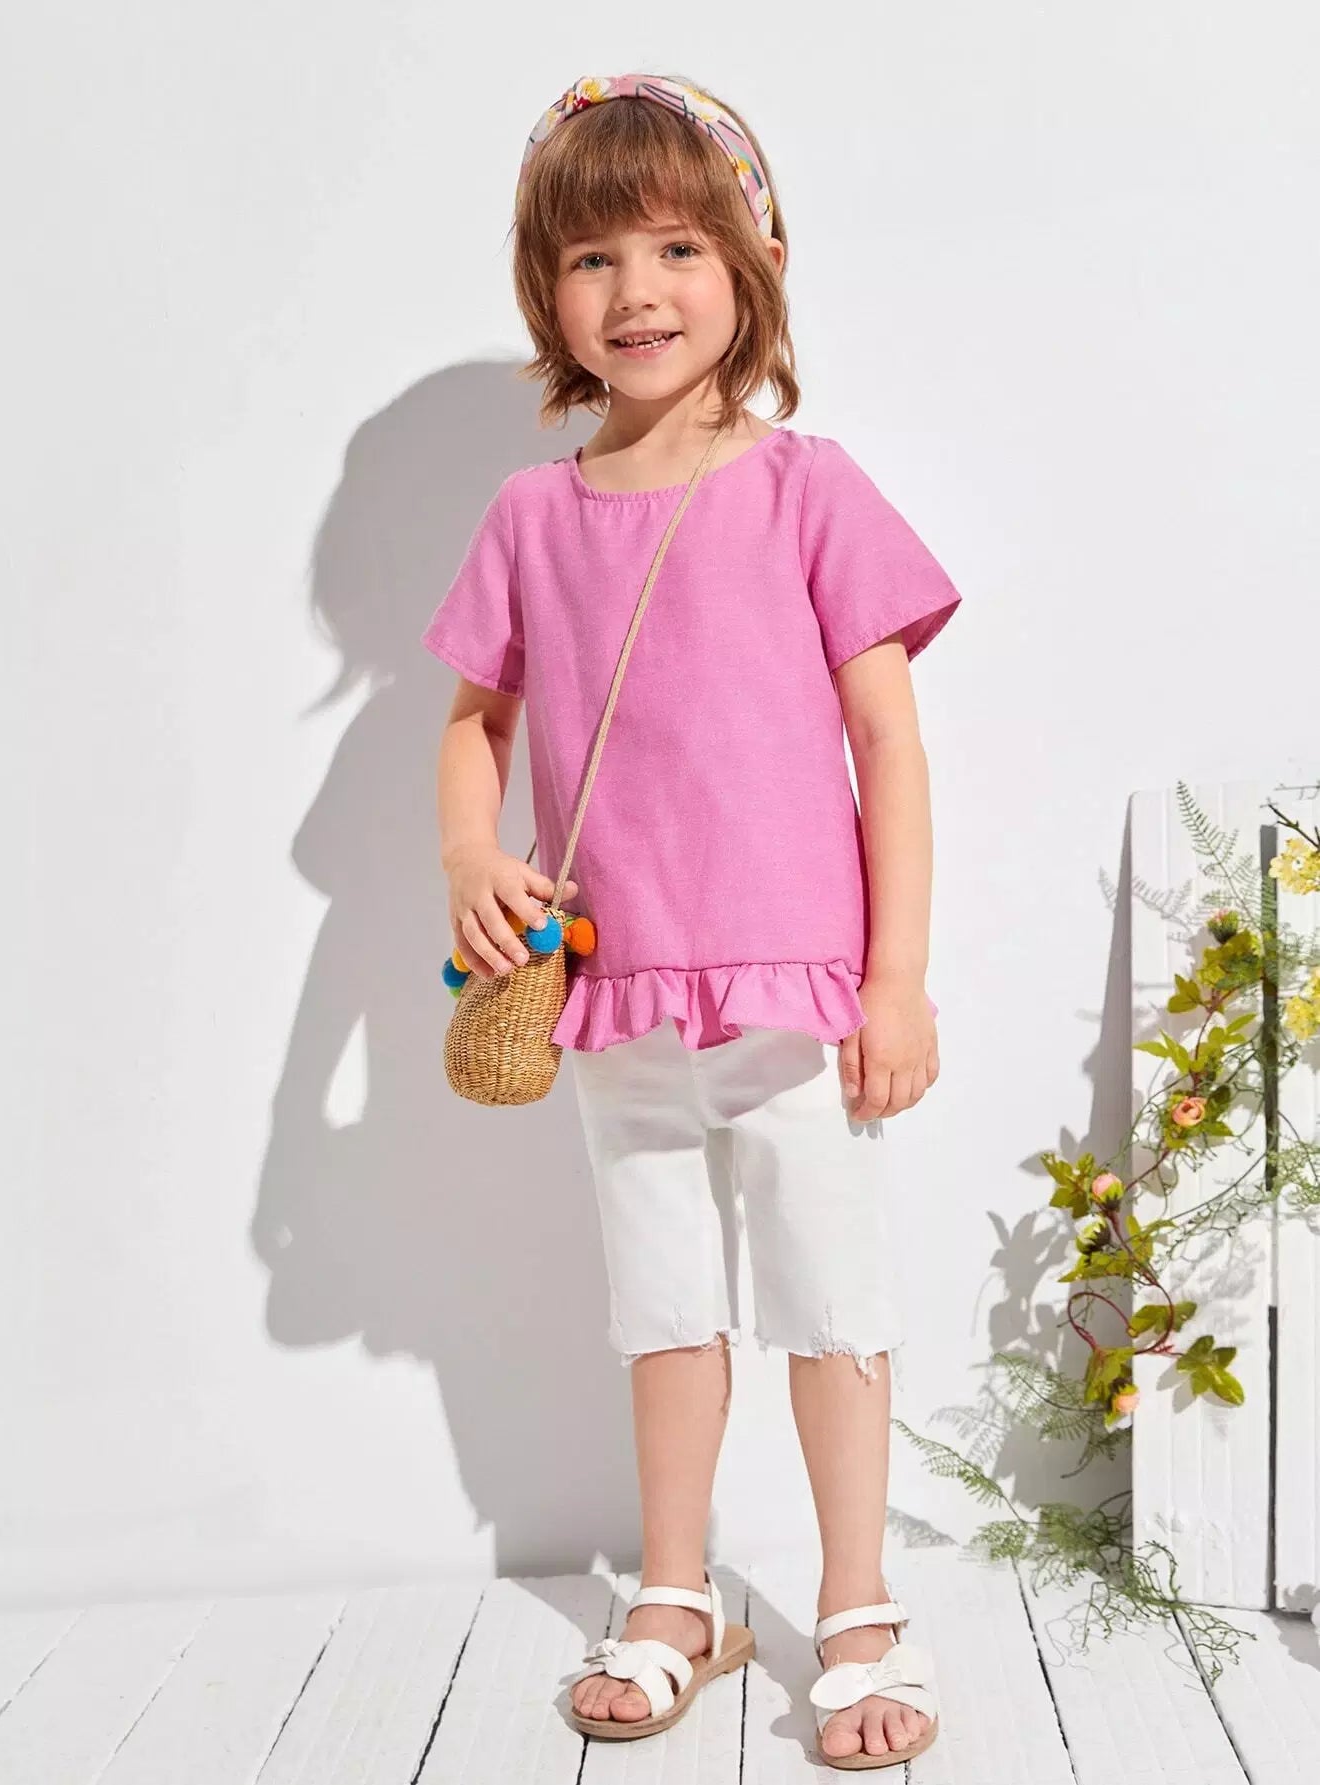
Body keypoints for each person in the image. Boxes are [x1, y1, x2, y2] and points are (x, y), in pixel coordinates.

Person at [421, 71, 960, 1770]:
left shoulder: (808, 489)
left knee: (830, 1297)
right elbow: (474, 721)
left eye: (674, 247)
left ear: (754, 263)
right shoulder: (532, 518)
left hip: (797, 992)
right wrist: (468, 852)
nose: (636, 290)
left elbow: (888, 743)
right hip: (614, 989)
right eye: (592, 257)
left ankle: (858, 1601)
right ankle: (677, 1591)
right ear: (547, 292)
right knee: (660, 1302)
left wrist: (897, 977)